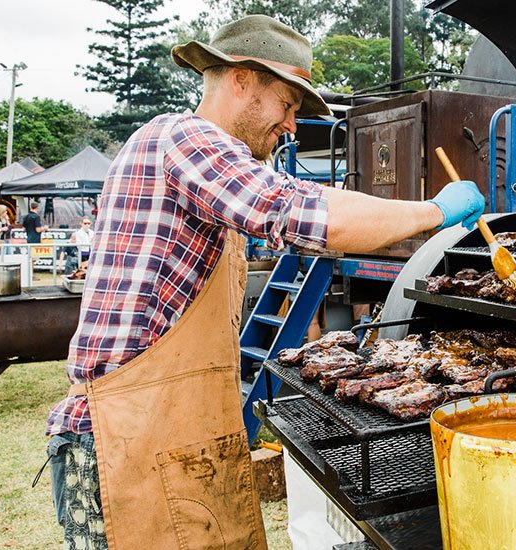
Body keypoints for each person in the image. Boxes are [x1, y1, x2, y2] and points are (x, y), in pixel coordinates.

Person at [42, 14, 484, 549]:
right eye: (288, 105)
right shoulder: (184, 139)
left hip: (165, 425)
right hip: (124, 435)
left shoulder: (201, 158)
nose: (292, 125)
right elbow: (308, 216)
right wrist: (432, 212)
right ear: (241, 79)